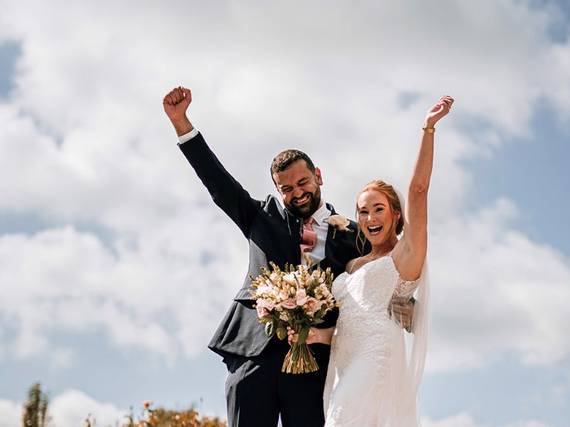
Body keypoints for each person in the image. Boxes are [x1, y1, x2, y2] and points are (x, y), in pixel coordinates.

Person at [162, 86, 369, 427]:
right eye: (286, 188)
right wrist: (181, 123)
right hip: (253, 352)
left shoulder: (351, 236)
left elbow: (379, 275)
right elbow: (218, 182)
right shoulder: (261, 217)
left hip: (313, 359)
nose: (297, 193)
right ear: (277, 189)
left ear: (318, 177)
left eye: (303, 183)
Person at [289, 95, 453, 426]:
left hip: (375, 360)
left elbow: (418, 191)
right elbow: (341, 323)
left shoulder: (404, 255)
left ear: (395, 214)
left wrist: (429, 128)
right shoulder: (351, 265)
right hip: (343, 363)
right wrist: (311, 335)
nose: (370, 217)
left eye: (378, 208)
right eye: (363, 211)